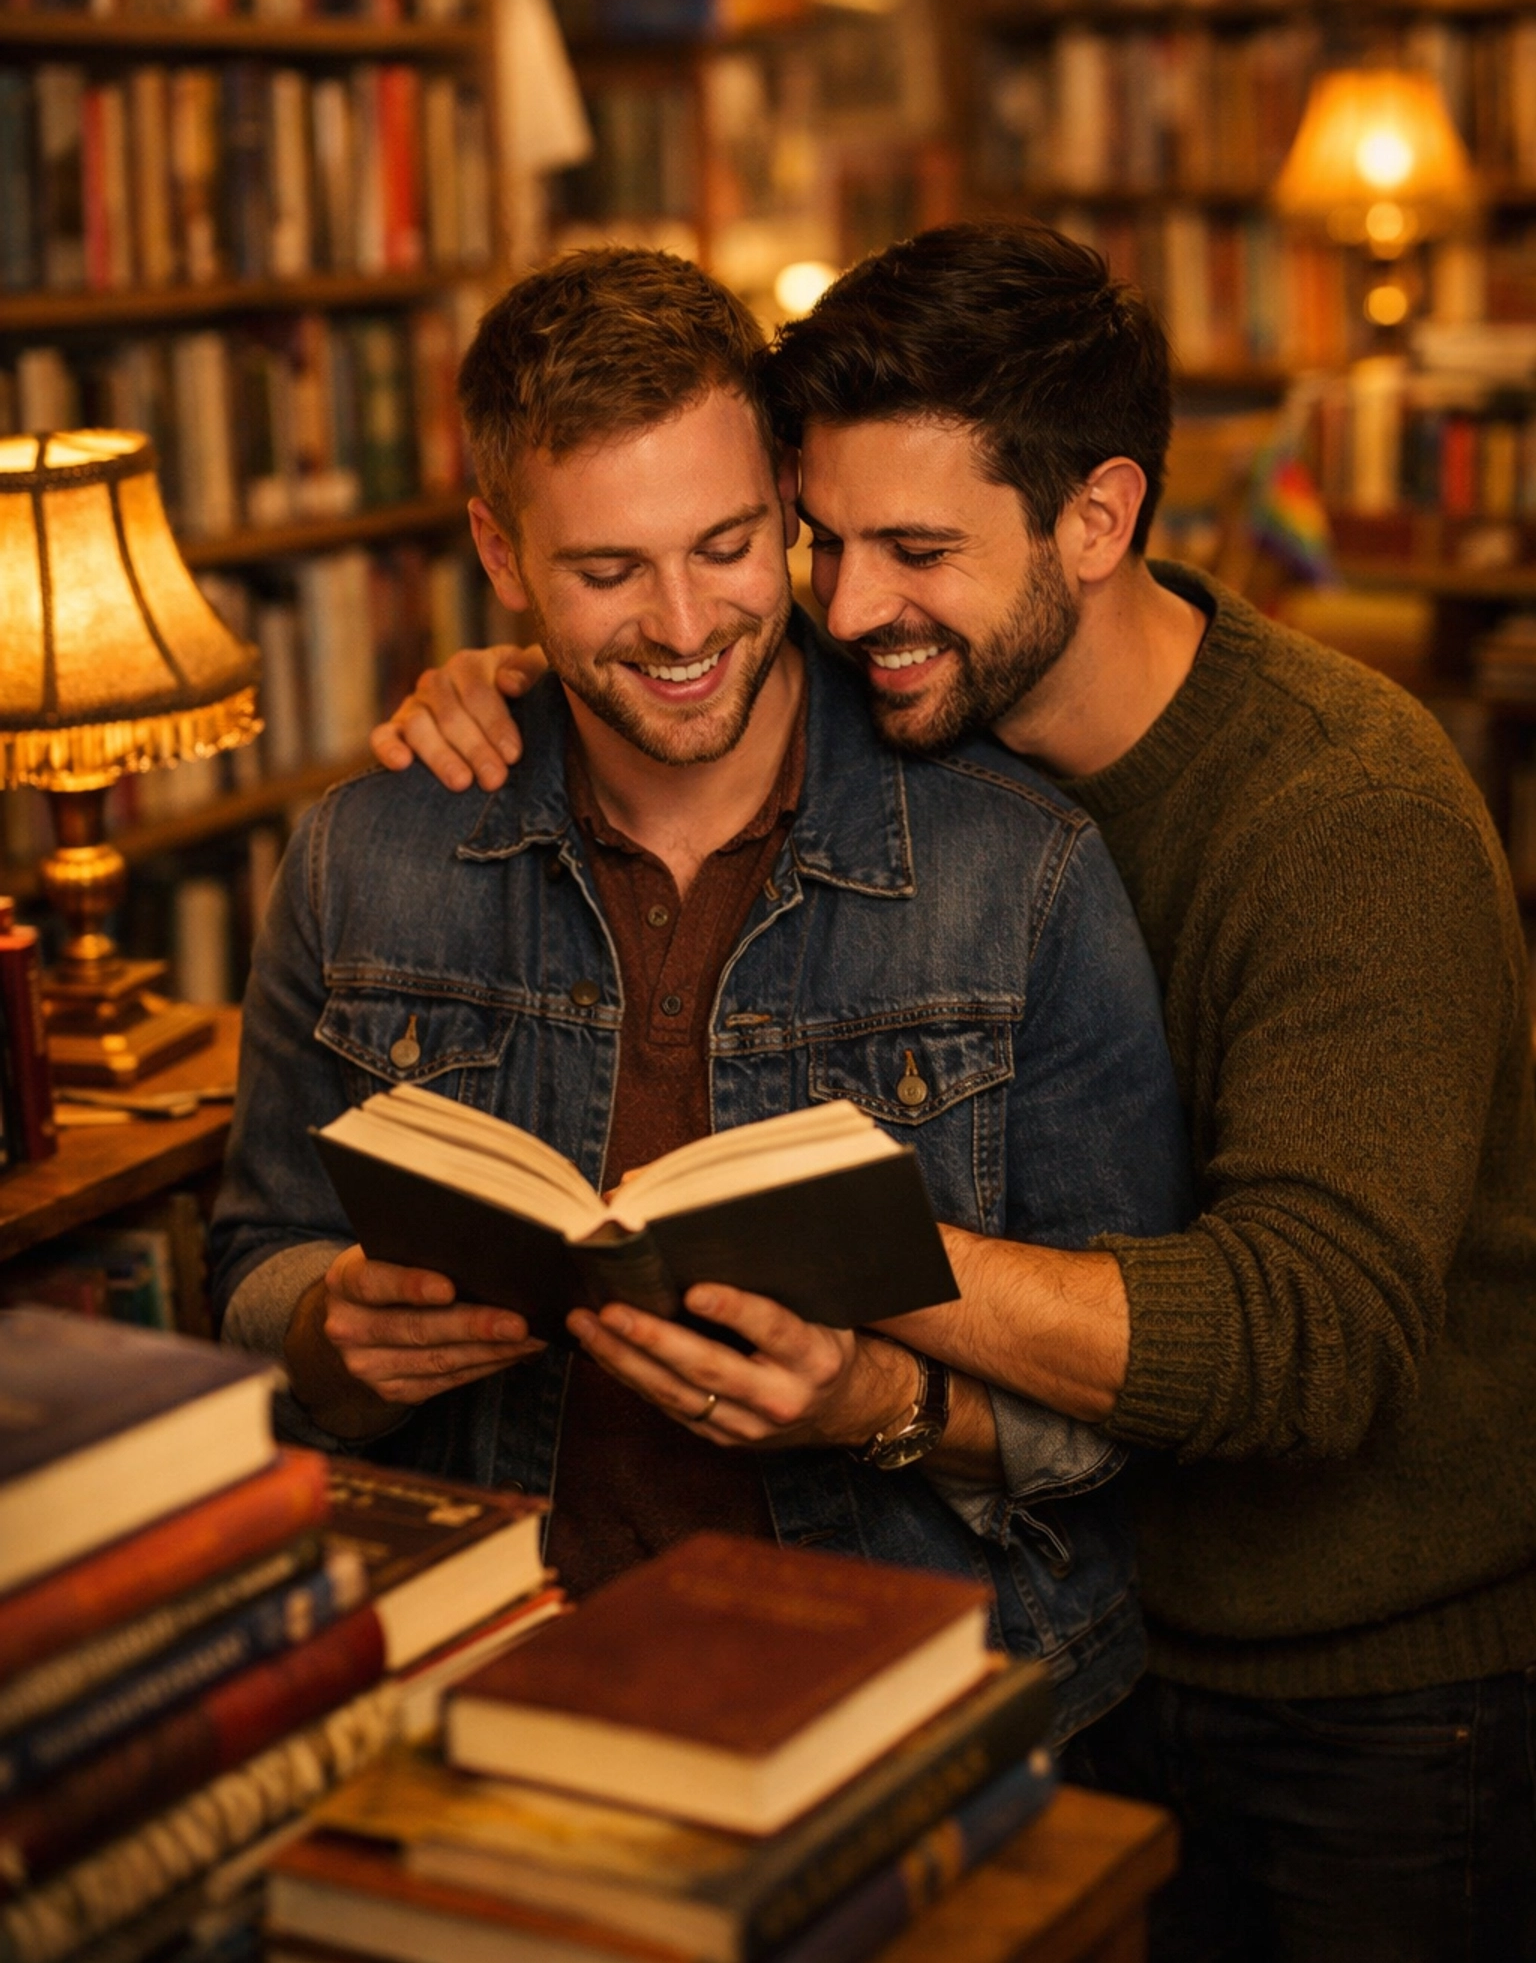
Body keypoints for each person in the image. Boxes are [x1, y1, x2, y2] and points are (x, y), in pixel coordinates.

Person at [382, 224, 1536, 1962]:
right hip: (1082, 1640)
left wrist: (844, 1249)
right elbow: (669, 657)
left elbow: (1311, 1336)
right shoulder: (925, 694)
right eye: (822, 541)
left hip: (1365, 1696)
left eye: (917, 551)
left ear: (1096, 520)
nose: (848, 611)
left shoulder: (1348, 811)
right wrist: (516, 682)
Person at [209, 245, 1191, 1743]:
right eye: (607, 573)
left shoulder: (1022, 869)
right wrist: (331, 1338)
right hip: (488, 1671)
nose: (680, 627)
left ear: (791, 502)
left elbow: (1130, 1412)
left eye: (730, 546)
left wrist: (883, 1404)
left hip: (928, 1698)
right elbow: (256, 1265)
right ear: (499, 553)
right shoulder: (367, 856)